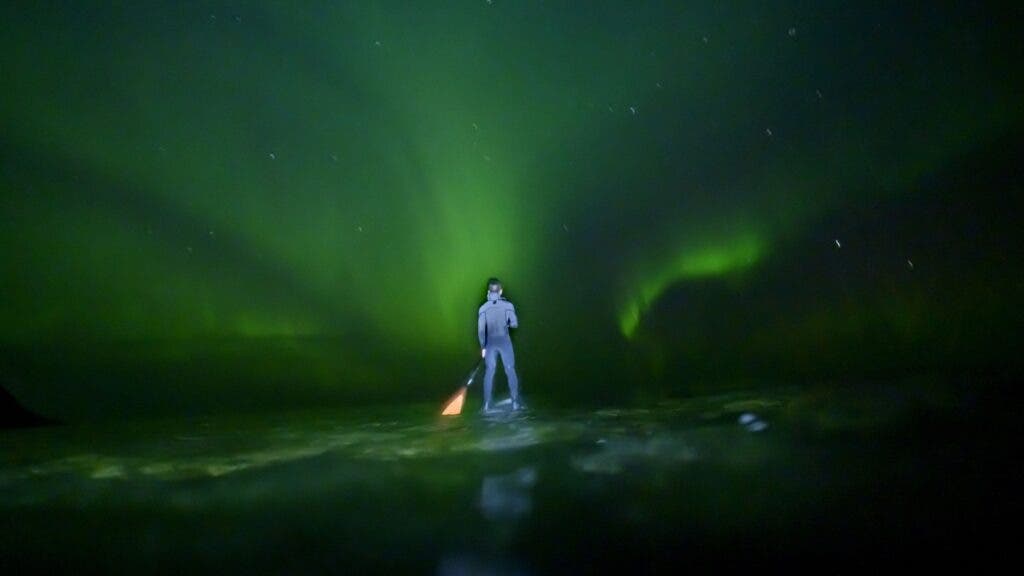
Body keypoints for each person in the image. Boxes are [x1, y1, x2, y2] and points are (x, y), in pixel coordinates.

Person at [478, 278, 521, 412]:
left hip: (490, 344)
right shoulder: (508, 306)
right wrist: (507, 322)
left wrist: (483, 347)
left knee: (489, 371)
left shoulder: (483, 308)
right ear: (500, 291)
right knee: (510, 370)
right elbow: (514, 324)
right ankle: (515, 402)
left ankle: (486, 405)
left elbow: (481, 330)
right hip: (504, 342)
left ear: (488, 292)